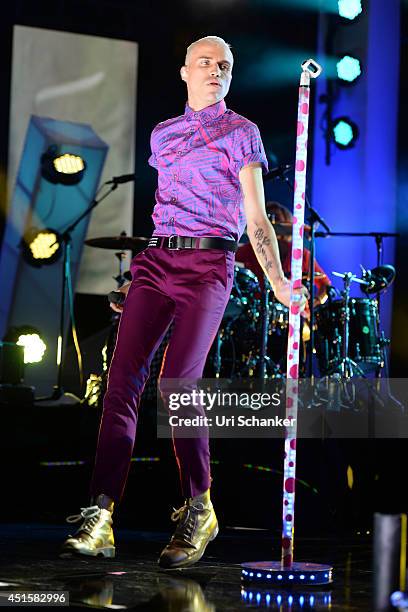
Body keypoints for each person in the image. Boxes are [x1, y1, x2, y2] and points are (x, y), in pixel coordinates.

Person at [60, 36, 307, 568]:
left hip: (208, 265)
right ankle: (100, 514)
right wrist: (136, 281)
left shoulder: (242, 133)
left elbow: (257, 219)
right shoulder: (163, 134)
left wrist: (280, 283)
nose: (215, 70)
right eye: (205, 63)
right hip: (157, 262)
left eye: (225, 65)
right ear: (184, 72)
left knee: (178, 387)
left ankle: (199, 506)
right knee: (121, 381)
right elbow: (164, 210)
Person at [236, 201, 331, 308]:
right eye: (270, 223)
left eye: (278, 222)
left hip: (292, 313)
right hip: (256, 310)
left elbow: (325, 284)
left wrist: (315, 301)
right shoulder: (250, 249)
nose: (274, 229)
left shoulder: (302, 255)